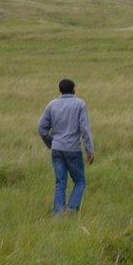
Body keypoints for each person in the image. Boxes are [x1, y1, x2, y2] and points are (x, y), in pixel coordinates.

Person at [38, 78, 94, 215]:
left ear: (60, 90)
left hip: (56, 149)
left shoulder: (52, 104)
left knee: (60, 182)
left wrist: (50, 142)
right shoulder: (80, 104)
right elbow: (84, 129)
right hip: (73, 149)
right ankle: (72, 208)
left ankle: (57, 211)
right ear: (74, 89)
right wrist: (89, 149)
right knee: (80, 181)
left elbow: (41, 127)